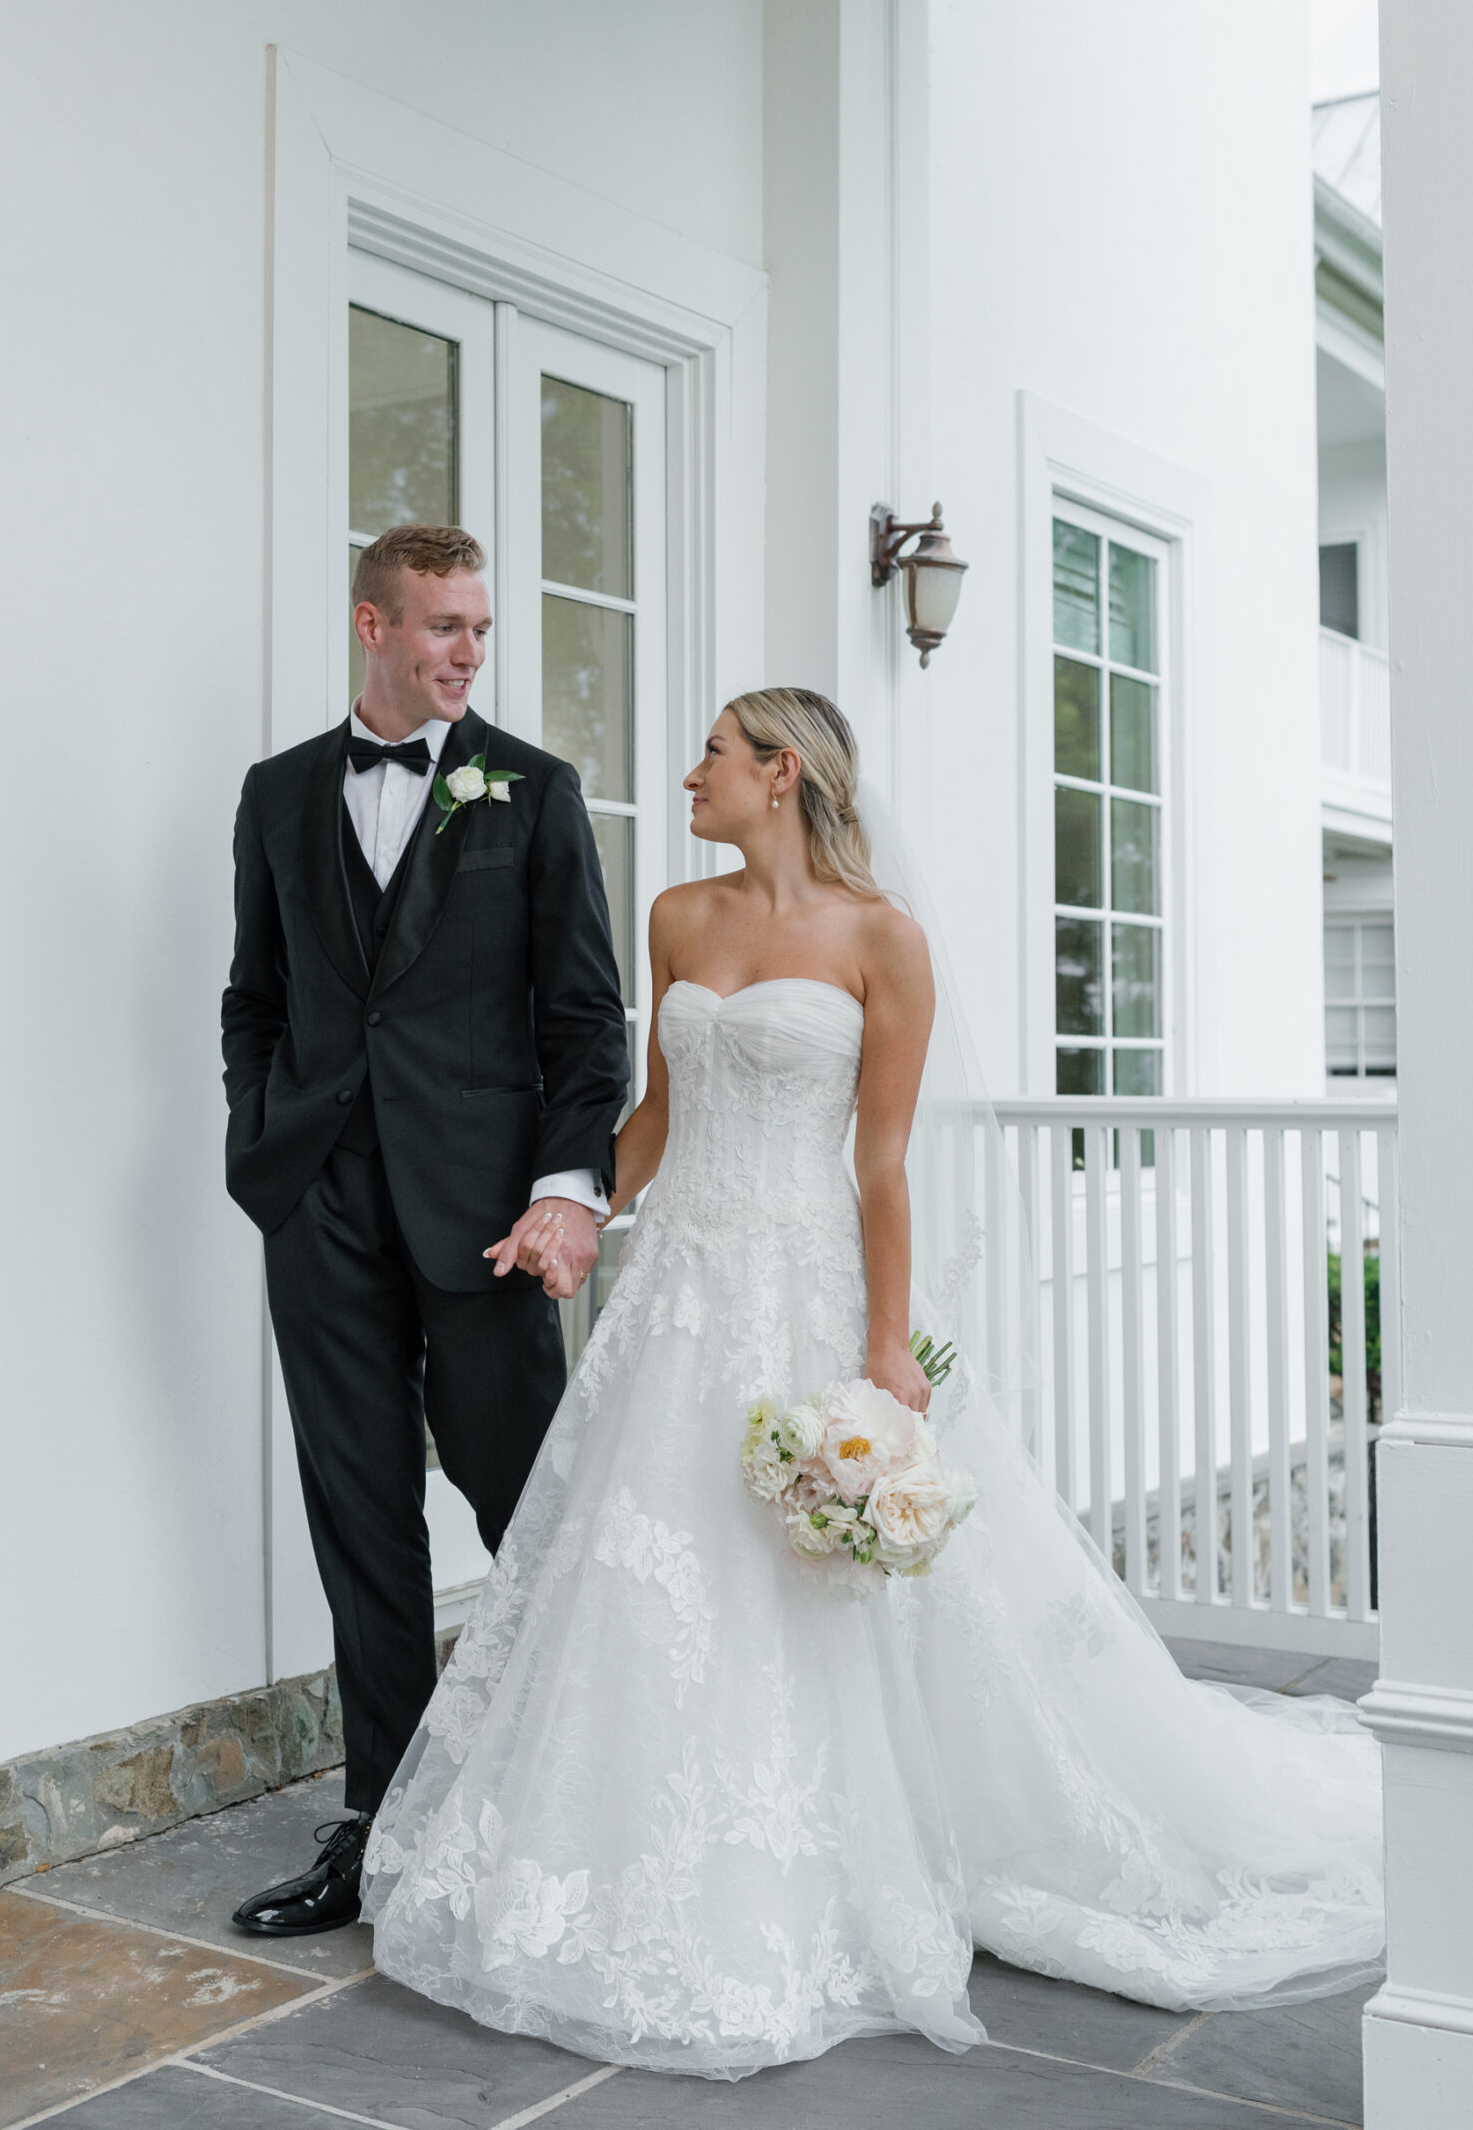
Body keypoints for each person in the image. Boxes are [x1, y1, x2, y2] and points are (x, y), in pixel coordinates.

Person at [362, 686, 1384, 2079]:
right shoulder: (676, 915)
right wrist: (578, 1209)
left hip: (809, 1288)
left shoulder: (880, 939)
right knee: (656, 1567)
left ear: (780, 773)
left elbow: (882, 1163)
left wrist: (886, 1345)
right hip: (677, 1303)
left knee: (811, 1576)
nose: (688, 775)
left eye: (712, 755)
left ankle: (862, 1845)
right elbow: (655, 1116)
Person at [220, 524, 630, 1938]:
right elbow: (252, 996)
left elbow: (585, 1019)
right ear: (371, 626)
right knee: (361, 1524)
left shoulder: (534, 790)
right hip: (316, 1203)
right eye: (442, 626)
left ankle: (582, 1808)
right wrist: (260, 1141)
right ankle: (382, 1827)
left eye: (479, 629)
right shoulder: (277, 793)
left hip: (484, 1221)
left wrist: (564, 1189)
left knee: (533, 1513)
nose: (465, 650)